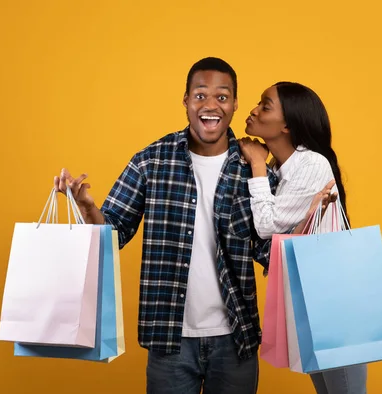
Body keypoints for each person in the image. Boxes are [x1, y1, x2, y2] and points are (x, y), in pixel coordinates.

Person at [54, 57, 334, 394]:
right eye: (200, 95)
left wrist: (311, 217)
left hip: (236, 339)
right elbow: (111, 234)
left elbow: (270, 252)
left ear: (233, 105)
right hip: (169, 339)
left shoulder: (256, 171)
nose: (211, 105)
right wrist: (86, 206)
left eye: (222, 96)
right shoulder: (151, 161)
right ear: (185, 101)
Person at [239, 81, 367, 394]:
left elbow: (266, 226)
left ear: (287, 125)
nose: (254, 110)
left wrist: (256, 163)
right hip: (308, 298)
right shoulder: (281, 169)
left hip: (332, 301)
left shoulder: (311, 163)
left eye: (265, 105)